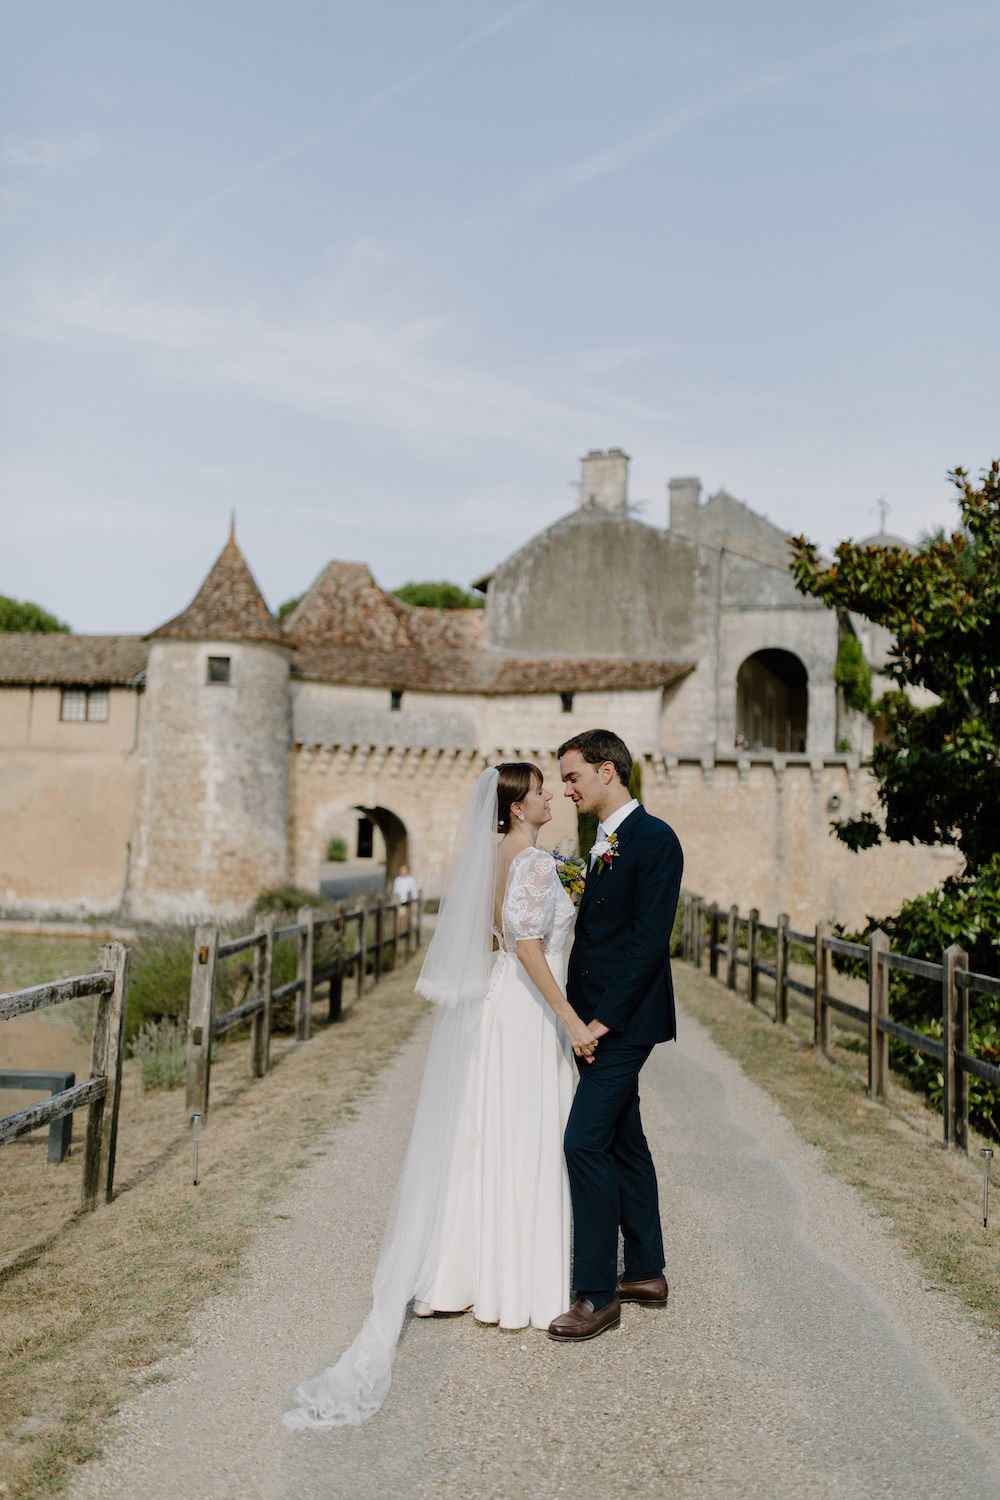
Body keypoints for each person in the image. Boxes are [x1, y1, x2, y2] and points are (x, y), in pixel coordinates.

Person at [282, 764, 600, 1429]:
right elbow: (529, 946)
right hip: (530, 1012)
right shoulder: (535, 864)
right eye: (539, 790)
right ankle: (518, 1284)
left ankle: (457, 1275)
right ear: (516, 809)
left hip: (495, 1005)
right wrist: (569, 1017)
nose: (548, 798)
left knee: (482, 1135)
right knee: (527, 1137)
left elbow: (491, 941)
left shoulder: (487, 861)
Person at [548, 728, 683, 1343]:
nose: (565, 788)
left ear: (607, 772)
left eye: (572, 776)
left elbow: (649, 942)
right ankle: (647, 1270)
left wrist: (599, 1021)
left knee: (583, 1142)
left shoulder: (655, 840)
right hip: (595, 1015)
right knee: (624, 1138)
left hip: (623, 1023)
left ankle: (597, 1293)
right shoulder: (603, 841)